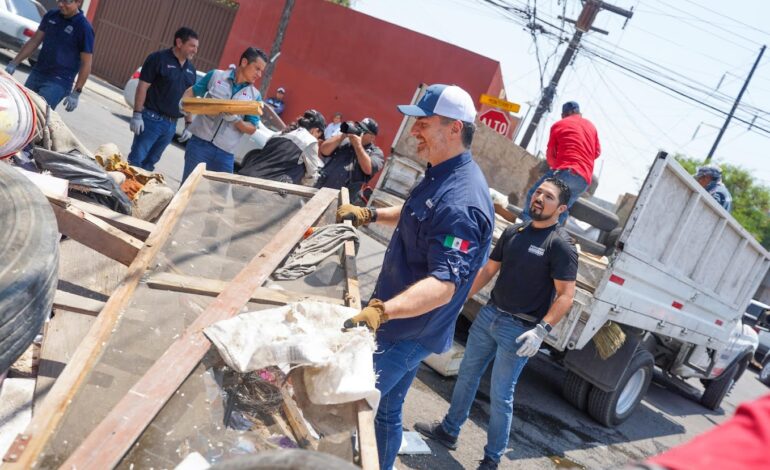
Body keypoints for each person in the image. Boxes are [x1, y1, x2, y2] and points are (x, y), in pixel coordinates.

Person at [336, 84, 495, 470]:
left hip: (406, 331)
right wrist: (371, 214)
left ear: (454, 128)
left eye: (424, 123)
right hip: (404, 324)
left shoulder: (462, 201)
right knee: (387, 413)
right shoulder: (442, 173)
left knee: (347, 410)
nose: (414, 131)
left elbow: (443, 286)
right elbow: (415, 211)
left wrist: (381, 312)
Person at [415, 177, 578, 470]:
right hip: (489, 315)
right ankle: (449, 430)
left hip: (519, 331)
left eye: (549, 197)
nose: (539, 198)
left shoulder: (559, 244)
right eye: (538, 192)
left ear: (561, 208)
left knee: (502, 396)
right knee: (467, 375)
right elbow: (489, 270)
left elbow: (566, 295)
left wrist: (541, 331)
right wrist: (460, 298)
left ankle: (492, 459)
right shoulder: (515, 232)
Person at [180, 47, 267, 183]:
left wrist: (235, 120)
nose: (259, 74)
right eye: (257, 68)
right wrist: (187, 118)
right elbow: (191, 93)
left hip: (225, 154)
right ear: (244, 62)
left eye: (261, 71)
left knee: (220, 195)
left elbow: (252, 128)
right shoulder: (215, 76)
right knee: (187, 189)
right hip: (199, 145)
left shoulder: (254, 96)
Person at [126, 27, 199, 172]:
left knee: (150, 164)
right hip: (151, 120)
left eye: (197, 47)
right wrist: (137, 114)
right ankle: (124, 186)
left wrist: (188, 124)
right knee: (136, 160)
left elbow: (188, 98)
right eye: (192, 46)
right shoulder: (157, 59)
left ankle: (138, 186)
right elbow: (142, 87)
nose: (195, 50)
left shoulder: (191, 70)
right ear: (179, 42)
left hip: (171, 126)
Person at [5, 0, 94, 111]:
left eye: (66, 2)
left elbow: (86, 62)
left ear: (78, 3)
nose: (61, 4)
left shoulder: (84, 27)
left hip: (58, 81)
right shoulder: (52, 15)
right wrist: (14, 63)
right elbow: (34, 41)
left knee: (39, 114)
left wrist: (77, 92)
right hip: (37, 72)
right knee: (23, 109)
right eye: (60, 0)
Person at [521, 101, 601, 225]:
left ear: (564, 114)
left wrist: (558, 163)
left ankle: (526, 228)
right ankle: (552, 234)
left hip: (566, 171)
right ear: (578, 113)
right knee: (562, 209)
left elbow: (551, 156)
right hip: (584, 180)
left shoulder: (559, 125)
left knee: (535, 195)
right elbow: (597, 152)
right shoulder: (591, 126)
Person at [238, 109, 326, 185]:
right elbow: (311, 175)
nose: (317, 139)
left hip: (247, 174)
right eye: (319, 136)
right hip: (269, 187)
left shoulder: (278, 134)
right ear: (316, 130)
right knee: (302, 167)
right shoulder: (311, 141)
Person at [316, 117, 384, 205]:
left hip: (343, 202)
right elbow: (324, 150)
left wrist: (358, 145)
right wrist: (343, 135)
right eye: (358, 127)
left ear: (372, 137)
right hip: (321, 190)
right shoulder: (344, 141)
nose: (359, 131)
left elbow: (368, 169)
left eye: (363, 130)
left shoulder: (376, 152)